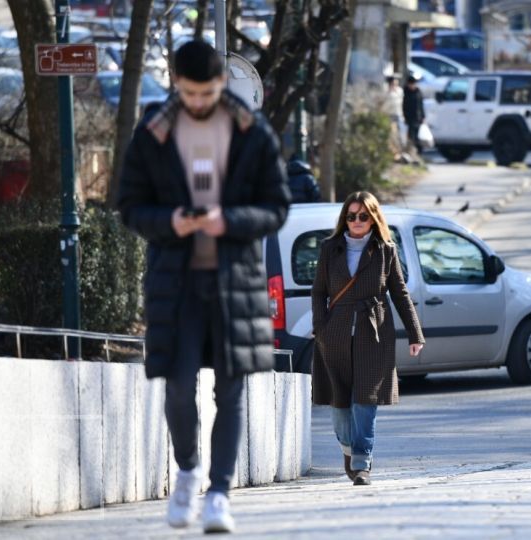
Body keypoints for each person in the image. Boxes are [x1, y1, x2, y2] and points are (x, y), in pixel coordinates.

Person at [116, 40, 291, 533]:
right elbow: (130, 206)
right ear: (176, 84)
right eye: (190, 93)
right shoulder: (153, 133)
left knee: (232, 392)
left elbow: (276, 206)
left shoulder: (251, 131)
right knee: (176, 386)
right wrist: (172, 220)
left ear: (221, 85)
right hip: (176, 281)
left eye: (208, 92)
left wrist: (227, 220)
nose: (198, 101)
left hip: (235, 278)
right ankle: (188, 470)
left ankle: (220, 493)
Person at [310, 191, 425, 486]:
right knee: (339, 406)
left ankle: (362, 462)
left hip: (373, 333)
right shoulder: (329, 248)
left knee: (365, 401)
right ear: (344, 219)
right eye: (351, 216)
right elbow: (319, 291)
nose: (357, 221)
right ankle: (349, 449)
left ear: (373, 218)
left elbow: (399, 292)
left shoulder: (385, 249)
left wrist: (415, 333)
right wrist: (320, 327)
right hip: (335, 333)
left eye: (363, 216)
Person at [403, 74, 425, 155]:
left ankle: (419, 153)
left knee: (418, 136)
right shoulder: (406, 93)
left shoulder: (418, 92)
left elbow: (421, 104)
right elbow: (404, 106)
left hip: (418, 117)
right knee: (411, 137)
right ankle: (411, 152)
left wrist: (423, 116)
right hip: (410, 118)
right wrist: (405, 117)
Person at [386, 74, 405, 157]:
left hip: (399, 114)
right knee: (392, 133)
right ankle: (393, 152)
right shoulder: (387, 92)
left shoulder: (400, 91)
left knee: (400, 133)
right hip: (390, 115)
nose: (395, 83)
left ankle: (400, 151)